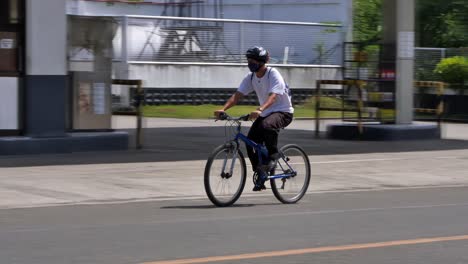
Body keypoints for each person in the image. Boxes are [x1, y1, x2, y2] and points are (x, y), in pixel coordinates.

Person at [214, 46, 294, 191]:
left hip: (283, 111)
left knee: (267, 126)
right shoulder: (251, 77)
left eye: (253, 60)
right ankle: (260, 172)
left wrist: (260, 109)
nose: (250, 63)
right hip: (265, 113)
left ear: (261, 61)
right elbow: (237, 95)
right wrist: (223, 109)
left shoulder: (272, 74)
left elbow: (273, 96)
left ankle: (273, 156)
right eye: (249, 60)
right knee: (250, 141)